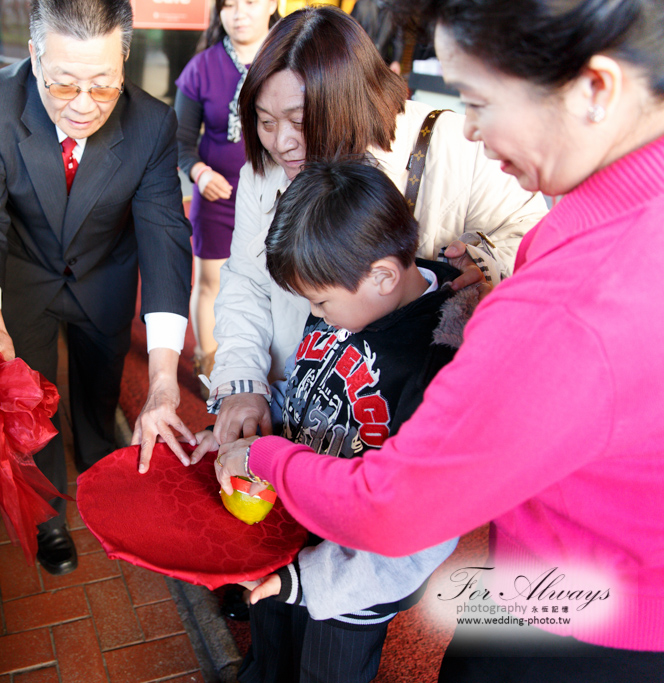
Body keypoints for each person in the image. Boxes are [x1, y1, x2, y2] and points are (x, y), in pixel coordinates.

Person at [215, 0, 664, 679]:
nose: (476, 129)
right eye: (265, 122)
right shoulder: (607, 209)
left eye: (479, 100)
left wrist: (269, 458)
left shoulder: (571, 298)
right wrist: (246, 386)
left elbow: (393, 506)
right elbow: (246, 289)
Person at [194, 6, 548, 459]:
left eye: (300, 122)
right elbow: (246, 279)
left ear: (348, 99)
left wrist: (485, 260)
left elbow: (536, 239)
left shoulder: (454, 146)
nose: (282, 142)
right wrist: (243, 383)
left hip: (412, 430)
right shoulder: (265, 171)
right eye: (265, 122)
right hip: (305, 406)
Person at [0, 0, 195, 576]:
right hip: (22, 277)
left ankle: (103, 471)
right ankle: (49, 510)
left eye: (103, 87)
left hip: (105, 278)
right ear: (34, 57)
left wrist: (161, 379)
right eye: (64, 85)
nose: (83, 106)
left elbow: (164, 241)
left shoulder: (153, 125)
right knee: (31, 402)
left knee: (98, 390)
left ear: (124, 61)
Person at [202, 159, 471, 682]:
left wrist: (316, 581)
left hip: (354, 576)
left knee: (328, 670)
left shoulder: (440, 360)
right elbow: (313, 384)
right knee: (269, 651)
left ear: (384, 276)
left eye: (320, 303)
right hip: (291, 527)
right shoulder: (348, 284)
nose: (316, 314)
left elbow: (419, 521)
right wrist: (256, 436)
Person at [174, 0, 278, 385]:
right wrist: (199, 173)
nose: (239, 13)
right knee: (211, 284)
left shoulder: (289, 56)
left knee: (275, 284)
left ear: (273, 4)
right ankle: (210, 365)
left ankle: (269, 367)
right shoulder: (201, 66)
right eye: (229, 5)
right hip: (216, 197)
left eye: (249, 2)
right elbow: (181, 141)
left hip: (277, 197)